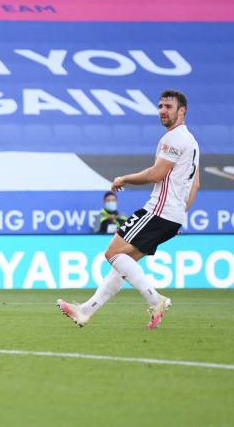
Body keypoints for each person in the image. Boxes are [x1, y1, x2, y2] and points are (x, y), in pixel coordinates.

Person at [57, 89, 200, 329]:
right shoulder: (192, 142)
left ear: (182, 110)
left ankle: (156, 300)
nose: (163, 111)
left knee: (112, 253)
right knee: (122, 266)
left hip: (158, 211)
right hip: (172, 215)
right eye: (160, 106)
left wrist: (124, 179)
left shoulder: (173, 139)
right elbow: (195, 184)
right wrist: (179, 217)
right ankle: (85, 311)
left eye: (168, 106)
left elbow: (156, 173)